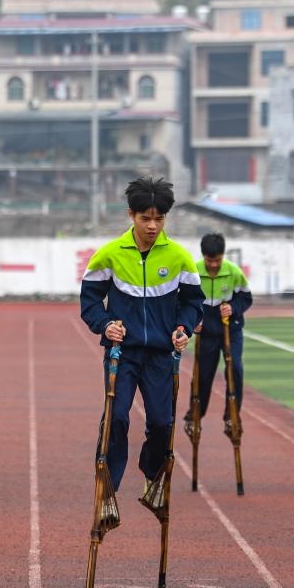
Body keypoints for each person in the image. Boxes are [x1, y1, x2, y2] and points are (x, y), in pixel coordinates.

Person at [80, 176, 204, 495]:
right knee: (117, 418)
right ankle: (107, 487)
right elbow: (90, 302)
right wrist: (106, 324)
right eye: (145, 218)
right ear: (130, 215)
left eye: (159, 218)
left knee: (163, 423)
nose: (152, 226)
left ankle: (152, 474)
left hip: (161, 356)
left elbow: (193, 303)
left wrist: (182, 329)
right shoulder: (109, 255)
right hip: (123, 354)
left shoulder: (179, 258)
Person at [183, 233, 253, 437]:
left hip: (230, 328)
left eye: (217, 260)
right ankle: (195, 414)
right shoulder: (194, 272)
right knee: (202, 375)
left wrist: (233, 307)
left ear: (223, 256)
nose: (213, 265)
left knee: (235, 369)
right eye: (209, 260)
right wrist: (193, 320)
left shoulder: (233, 272)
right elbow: (185, 300)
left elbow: (246, 298)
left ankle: (232, 415)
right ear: (203, 256)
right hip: (206, 331)